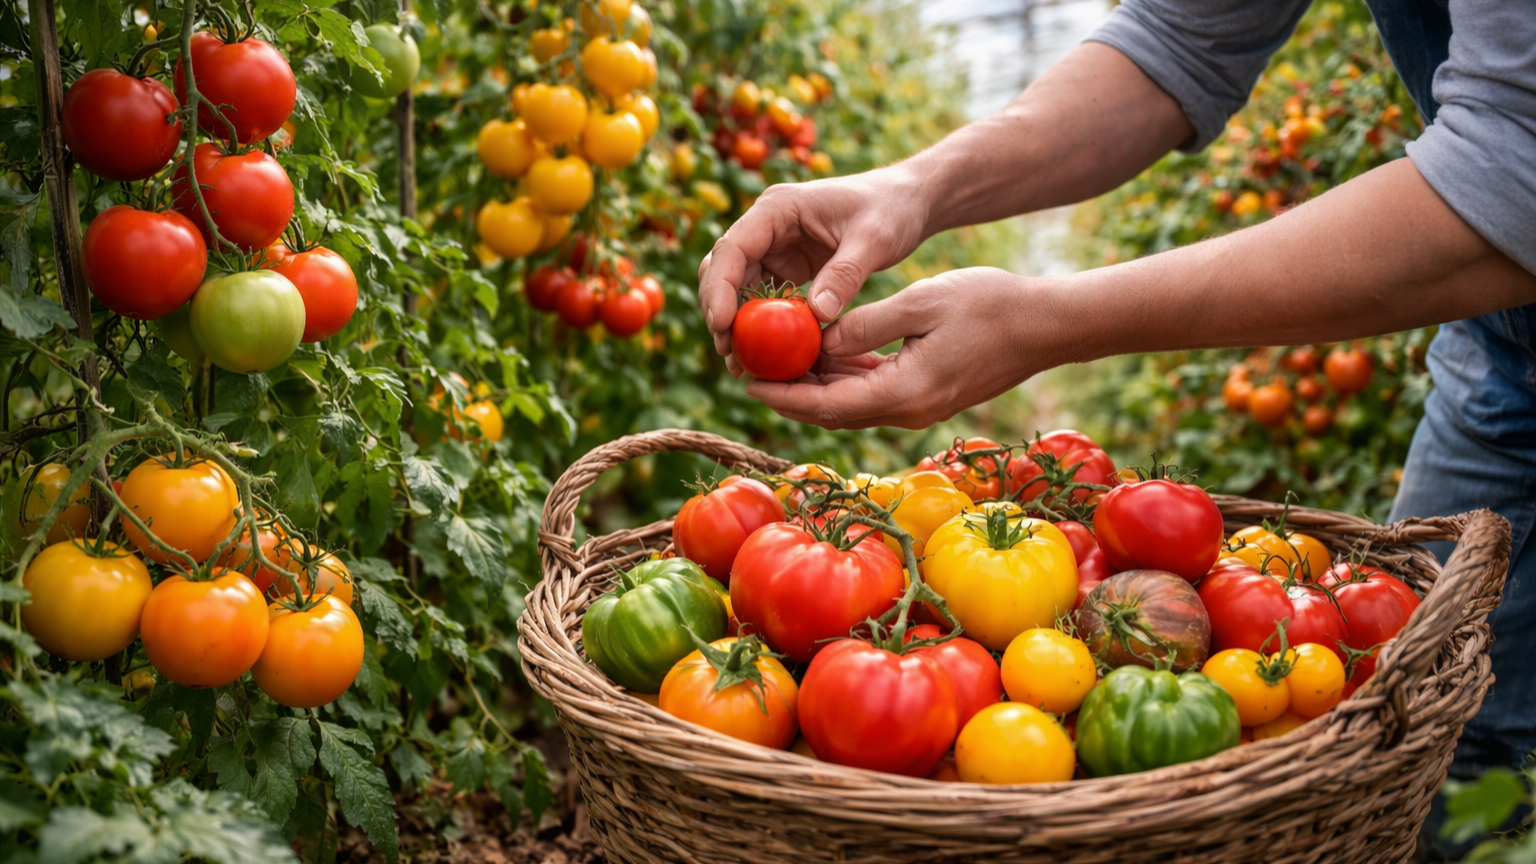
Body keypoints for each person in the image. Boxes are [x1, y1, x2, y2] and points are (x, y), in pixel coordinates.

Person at [697, 0, 1536, 857]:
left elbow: (1517, 168)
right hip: (1503, 354)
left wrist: (1046, 323)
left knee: (1455, 727)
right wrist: (907, 190)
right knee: (1445, 738)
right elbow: (1181, 39)